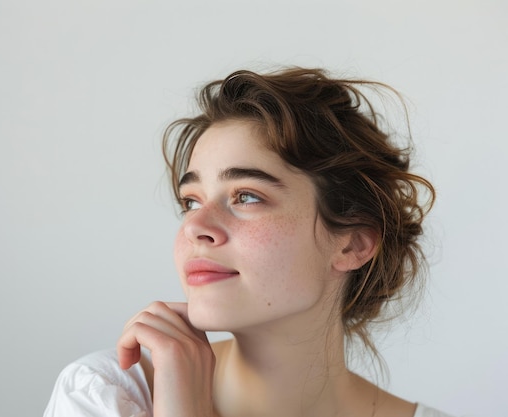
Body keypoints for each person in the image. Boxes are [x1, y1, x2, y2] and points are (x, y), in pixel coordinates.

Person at [44, 67, 454, 417]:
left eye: (247, 196)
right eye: (191, 201)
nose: (195, 227)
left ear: (352, 245)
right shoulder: (106, 395)